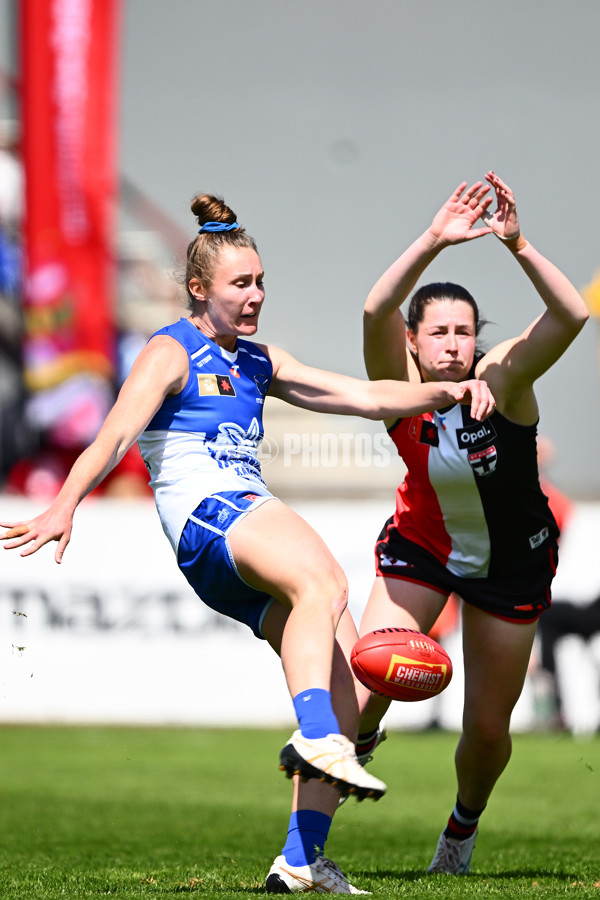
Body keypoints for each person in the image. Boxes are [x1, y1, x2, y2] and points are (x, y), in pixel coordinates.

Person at [1, 192, 495, 893]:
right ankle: (317, 735)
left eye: (261, 281)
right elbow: (113, 431)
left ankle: (302, 859)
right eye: (241, 283)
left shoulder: (262, 362)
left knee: (348, 692)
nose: (256, 294)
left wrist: (443, 392)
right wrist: (64, 503)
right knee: (324, 581)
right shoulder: (172, 348)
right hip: (212, 514)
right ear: (199, 290)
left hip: (234, 538)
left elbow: (360, 396)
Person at [355, 172, 589, 875]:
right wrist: (433, 238)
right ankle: (345, 760)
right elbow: (374, 310)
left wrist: (517, 243)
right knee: (363, 683)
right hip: (421, 549)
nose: (454, 343)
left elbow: (572, 316)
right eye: (439, 332)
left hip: (511, 567)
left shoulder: (507, 379)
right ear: (415, 343)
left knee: (487, 729)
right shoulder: (396, 383)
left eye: (464, 331)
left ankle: (460, 829)